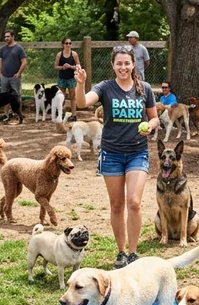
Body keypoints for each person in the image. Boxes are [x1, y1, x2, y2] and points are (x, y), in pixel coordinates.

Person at [76, 46, 159, 268]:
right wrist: (81, 84)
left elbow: (154, 118)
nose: (123, 67)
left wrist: (150, 126)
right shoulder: (105, 87)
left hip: (137, 152)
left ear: (133, 64)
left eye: (127, 63)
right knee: (116, 205)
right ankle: (121, 252)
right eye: (119, 63)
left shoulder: (144, 88)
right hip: (111, 154)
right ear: (113, 65)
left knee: (134, 202)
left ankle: (133, 253)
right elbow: (82, 102)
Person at [0, 29, 27, 120]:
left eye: (8, 36)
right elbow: (0, 62)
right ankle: (6, 115)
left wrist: (19, 73)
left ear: (13, 37)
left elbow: (24, 62)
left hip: (15, 77)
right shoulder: (3, 49)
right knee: (4, 96)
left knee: (17, 96)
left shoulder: (19, 48)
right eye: (5, 37)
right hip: (4, 76)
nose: (6, 38)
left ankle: (19, 115)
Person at [55, 38, 80, 120]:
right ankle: (60, 113)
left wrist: (70, 66)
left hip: (71, 78)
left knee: (73, 96)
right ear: (63, 44)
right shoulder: (59, 54)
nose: (68, 45)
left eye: (70, 43)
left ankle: (74, 115)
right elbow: (56, 66)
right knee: (61, 97)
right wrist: (62, 67)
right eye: (66, 43)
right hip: (62, 78)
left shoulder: (74, 54)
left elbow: (78, 66)